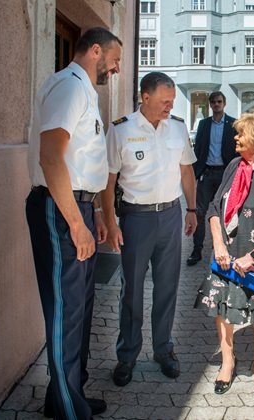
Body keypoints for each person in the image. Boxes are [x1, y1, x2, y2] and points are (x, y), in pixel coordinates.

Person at [25, 27, 121, 419]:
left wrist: (94, 214)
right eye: (114, 60)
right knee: (65, 309)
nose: (116, 68)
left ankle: (65, 396)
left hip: (76, 207)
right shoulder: (68, 86)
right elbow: (52, 158)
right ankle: (69, 410)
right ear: (95, 51)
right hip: (58, 207)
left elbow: (83, 164)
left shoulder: (84, 90)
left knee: (79, 307)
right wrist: (76, 224)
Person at [101, 72, 197, 386]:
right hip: (136, 219)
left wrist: (192, 209)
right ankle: (127, 355)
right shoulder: (122, 130)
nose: (171, 105)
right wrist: (111, 223)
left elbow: (186, 171)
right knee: (132, 291)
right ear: (146, 97)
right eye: (165, 101)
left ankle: (163, 350)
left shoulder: (178, 128)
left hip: (170, 215)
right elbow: (109, 179)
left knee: (168, 287)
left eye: (172, 101)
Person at [194, 111, 254, 402]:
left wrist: (252, 257)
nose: (235, 137)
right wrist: (219, 246)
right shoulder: (235, 165)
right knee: (224, 310)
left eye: (241, 133)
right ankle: (228, 361)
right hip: (227, 256)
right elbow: (214, 208)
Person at [187, 92, 238, 266]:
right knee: (199, 212)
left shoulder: (233, 124)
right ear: (210, 104)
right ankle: (197, 250)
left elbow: (237, 150)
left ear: (224, 103)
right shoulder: (204, 124)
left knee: (225, 213)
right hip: (206, 174)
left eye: (219, 101)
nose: (216, 104)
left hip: (225, 174)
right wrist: (195, 173)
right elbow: (198, 150)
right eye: (213, 102)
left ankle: (224, 249)